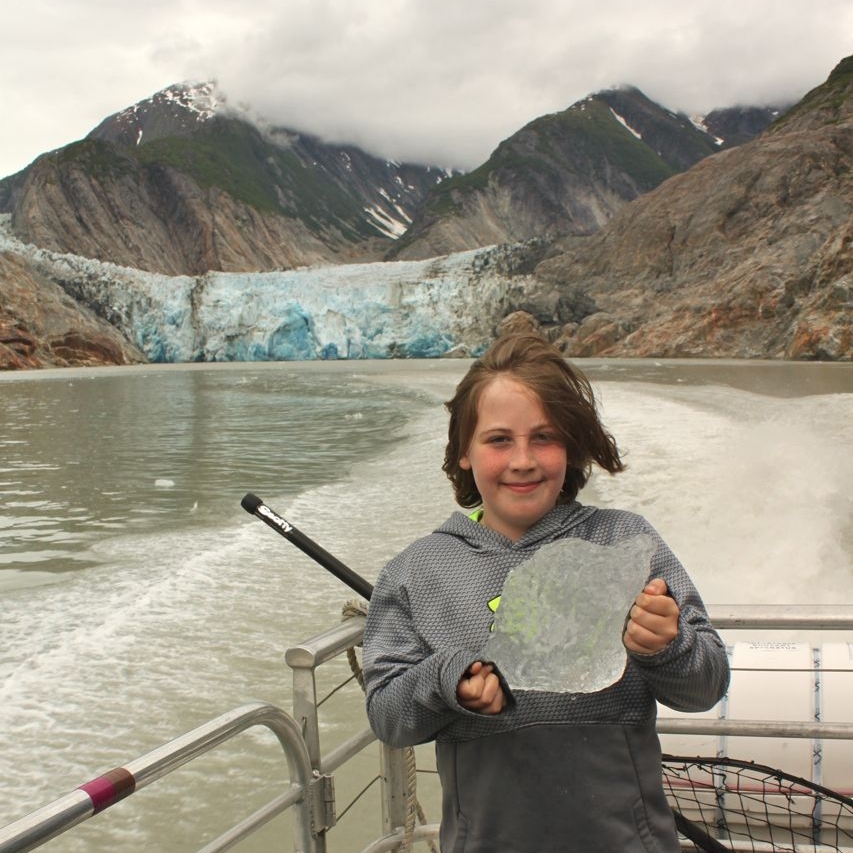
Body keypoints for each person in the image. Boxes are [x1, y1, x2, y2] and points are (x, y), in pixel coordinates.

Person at [362, 332, 730, 853]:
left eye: (545, 437)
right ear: (463, 452)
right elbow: (387, 717)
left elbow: (706, 686)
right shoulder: (415, 572)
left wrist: (666, 648)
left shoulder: (625, 542)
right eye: (498, 440)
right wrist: (450, 681)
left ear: (572, 448)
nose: (523, 460)